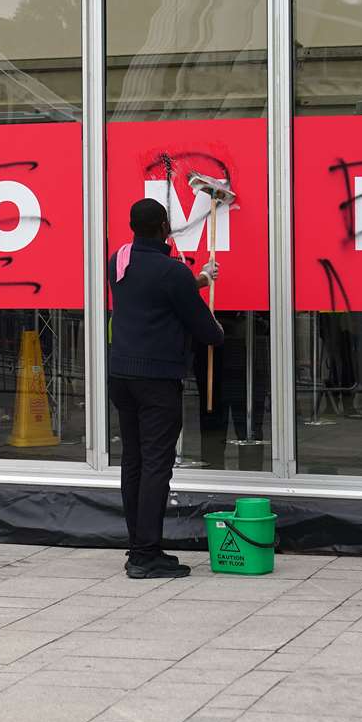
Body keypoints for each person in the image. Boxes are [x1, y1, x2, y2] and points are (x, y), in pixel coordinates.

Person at [108, 198, 223, 579]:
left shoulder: (119, 262)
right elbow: (204, 329)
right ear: (163, 227)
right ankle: (146, 555)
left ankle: (137, 547)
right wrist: (217, 328)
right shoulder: (171, 271)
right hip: (156, 382)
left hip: (122, 376)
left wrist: (200, 280)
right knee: (157, 465)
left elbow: (153, 290)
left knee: (134, 463)